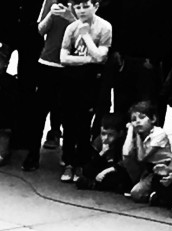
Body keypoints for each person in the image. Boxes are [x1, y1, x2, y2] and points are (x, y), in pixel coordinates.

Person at [56, 0, 111, 184]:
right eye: (77, 7)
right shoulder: (71, 28)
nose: (81, 11)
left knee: (84, 123)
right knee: (68, 122)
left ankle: (81, 162)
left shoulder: (104, 27)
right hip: (71, 79)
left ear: (95, 6)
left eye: (85, 6)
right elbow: (63, 57)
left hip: (91, 81)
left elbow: (101, 56)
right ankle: (69, 162)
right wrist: (88, 59)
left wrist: (86, 36)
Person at [23, 0, 74, 172]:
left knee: (67, 112)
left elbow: (87, 31)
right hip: (47, 62)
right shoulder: (51, 2)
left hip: (71, 65)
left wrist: (70, 16)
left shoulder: (83, 4)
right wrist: (51, 14)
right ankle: (32, 155)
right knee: (38, 112)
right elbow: (40, 30)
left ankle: (68, 158)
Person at [121, 98, 171, 201]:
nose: (137, 122)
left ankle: (152, 193)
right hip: (146, 169)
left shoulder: (159, 133)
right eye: (134, 120)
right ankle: (140, 185)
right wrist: (130, 131)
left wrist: (138, 135)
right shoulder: (138, 132)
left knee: (136, 194)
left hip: (160, 169)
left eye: (142, 117)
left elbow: (141, 157)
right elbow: (126, 154)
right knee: (127, 158)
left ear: (153, 119)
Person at [74, 109, 128, 191]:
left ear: (120, 133)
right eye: (103, 134)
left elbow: (123, 164)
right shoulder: (99, 141)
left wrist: (105, 172)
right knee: (87, 169)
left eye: (110, 135)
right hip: (103, 166)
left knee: (121, 178)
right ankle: (96, 183)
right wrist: (102, 152)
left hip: (115, 169)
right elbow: (93, 161)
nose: (105, 138)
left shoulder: (123, 143)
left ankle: (94, 185)